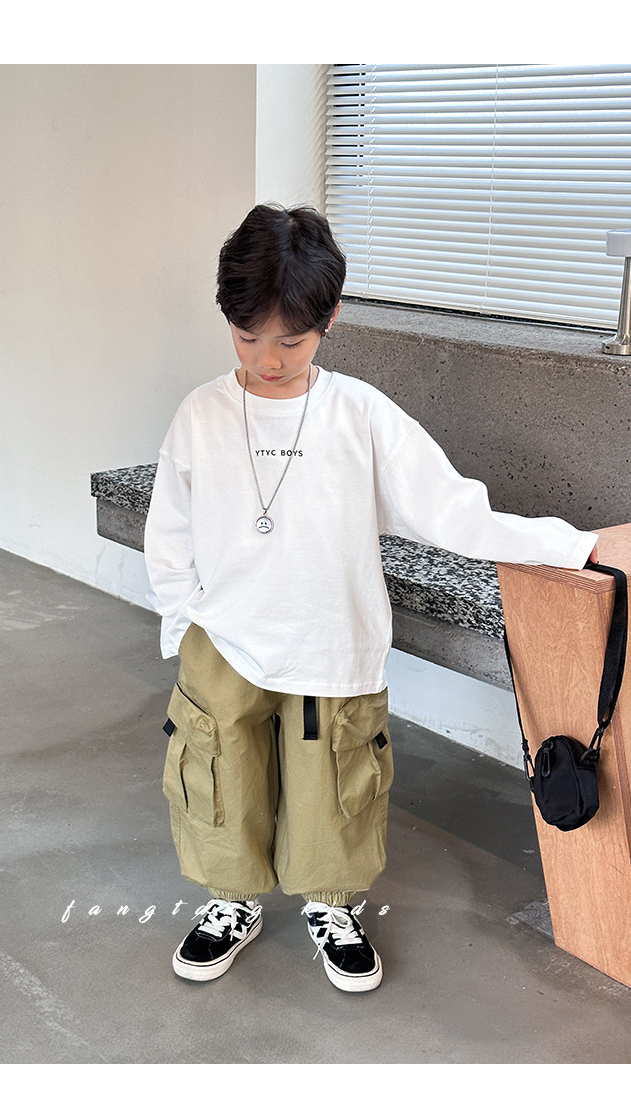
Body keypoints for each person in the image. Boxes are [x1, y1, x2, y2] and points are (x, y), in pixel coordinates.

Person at [144, 203, 599, 993]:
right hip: (223, 641)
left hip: (332, 644)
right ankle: (231, 899)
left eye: (291, 340)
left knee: (335, 786)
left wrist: (576, 546)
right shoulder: (201, 414)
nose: (268, 358)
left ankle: (331, 905)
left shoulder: (360, 415)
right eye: (247, 337)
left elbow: (455, 511)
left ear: (330, 320)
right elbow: (170, 528)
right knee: (220, 777)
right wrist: (181, 622)